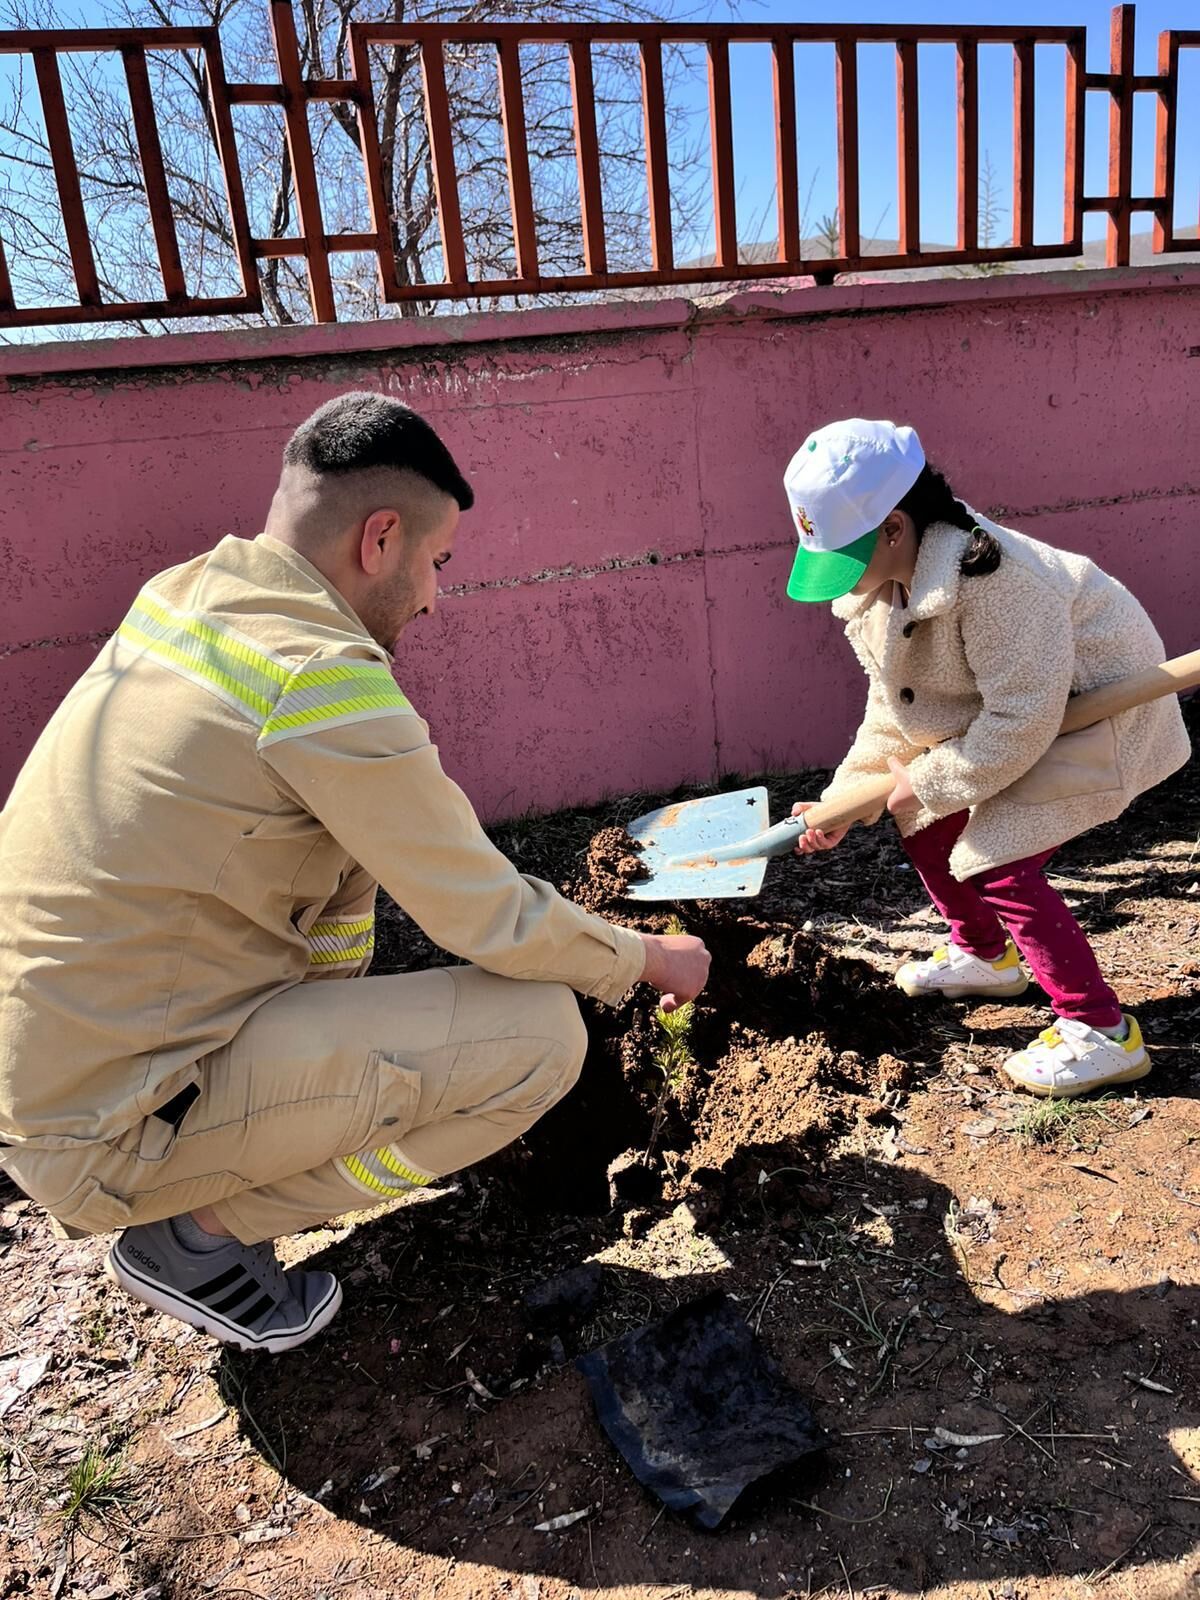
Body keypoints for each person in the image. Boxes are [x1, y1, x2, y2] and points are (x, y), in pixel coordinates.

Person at [0, 392, 710, 1354]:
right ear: (381, 537)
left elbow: (335, 883)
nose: (433, 596)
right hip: (110, 1123)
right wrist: (646, 959)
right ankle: (196, 1237)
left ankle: (213, 1189)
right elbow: (486, 915)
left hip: (61, 1074)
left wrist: (333, 1061)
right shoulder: (318, 675)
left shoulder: (189, 597)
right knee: (543, 1038)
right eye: (436, 561)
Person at [783, 418, 1189, 1099]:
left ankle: (1101, 1031)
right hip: (1016, 711)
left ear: (894, 528)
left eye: (846, 554)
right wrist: (846, 799)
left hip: (1097, 712)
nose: (839, 578)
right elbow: (894, 713)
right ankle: (985, 953)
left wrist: (927, 779)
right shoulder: (885, 589)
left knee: (1000, 854)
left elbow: (1023, 723)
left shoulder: (1001, 582)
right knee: (924, 823)